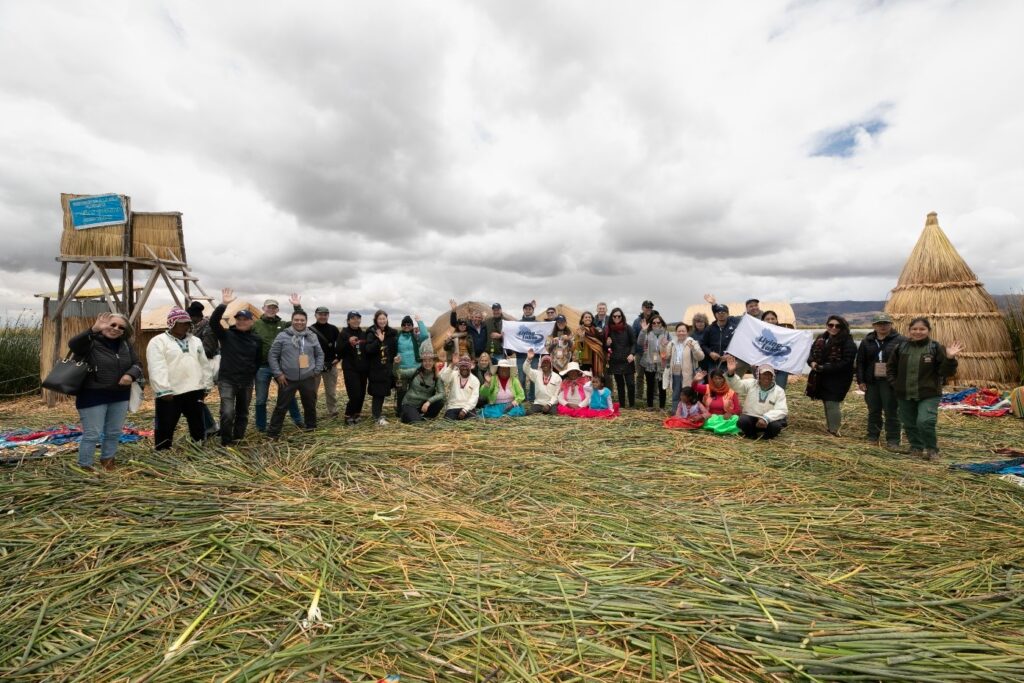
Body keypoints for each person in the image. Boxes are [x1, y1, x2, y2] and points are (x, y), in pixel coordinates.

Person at [68, 312, 142, 470]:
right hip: (93, 395)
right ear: (104, 325)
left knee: (114, 432)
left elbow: (137, 364)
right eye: (112, 325)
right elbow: (73, 345)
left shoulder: (125, 344)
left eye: (121, 327)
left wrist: (130, 374)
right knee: (92, 434)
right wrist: (93, 329)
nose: (116, 329)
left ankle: (108, 461)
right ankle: (85, 466)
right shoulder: (91, 341)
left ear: (124, 331)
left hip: (119, 395)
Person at [886, 317, 962, 460]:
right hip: (904, 393)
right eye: (914, 329)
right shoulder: (901, 347)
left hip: (929, 393)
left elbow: (946, 372)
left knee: (924, 421)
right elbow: (890, 368)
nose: (918, 332)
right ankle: (916, 447)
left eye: (922, 329)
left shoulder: (935, 347)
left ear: (928, 331)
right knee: (909, 423)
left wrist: (950, 358)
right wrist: (896, 384)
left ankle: (932, 449)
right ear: (909, 331)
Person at [148, 306, 214, 450]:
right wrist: (163, 390)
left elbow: (204, 364)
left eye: (187, 323)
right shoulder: (158, 341)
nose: (185, 326)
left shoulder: (195, 341)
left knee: (197, 421)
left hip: (195, 388)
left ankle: (198, 447)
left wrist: (207, 385)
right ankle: (163, 450)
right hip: (171, 392)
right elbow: (157, 367)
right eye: (181, 323)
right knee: (166, 423)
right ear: (172, 323)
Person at [210, 289, 261, 447]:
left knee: (243, 413)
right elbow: (213, 322)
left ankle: (238, 438)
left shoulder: (256, 340)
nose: (241, 321)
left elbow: (258, 360)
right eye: (239, 319)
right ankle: (226, 441)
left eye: (245, 319)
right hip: (227, 381)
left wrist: (250, 373)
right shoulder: (227, 335)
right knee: (227, 412)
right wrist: (224, 304)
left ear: (251, 321)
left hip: (246, 382)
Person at [267, 309, 324, 437]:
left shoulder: (312, 336)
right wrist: (278, 374)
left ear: (306, 321)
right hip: (287, 379)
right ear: (292, 321)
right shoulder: (283, 336)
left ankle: (311, 428)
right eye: (296, 320)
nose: (299, 322)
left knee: (310, 405)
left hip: (307, 377)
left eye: (302, 320)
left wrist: (317, 370)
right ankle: (273, 433)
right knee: (281, 407)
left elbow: (319, 354)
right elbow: (272, 355)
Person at [253, 296, 304, 431]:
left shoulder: (284, 325)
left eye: (274, 307)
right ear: (263, 308)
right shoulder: (255, 325)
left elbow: (299, 323)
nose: (271, 309)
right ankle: (261, 426)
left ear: (277, 310)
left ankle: (298, 420)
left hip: (280, 367)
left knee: (289, 395)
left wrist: (297, 306)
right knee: (261, 399)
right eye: (269, 307)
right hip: (262, 367)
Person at [855, 313, 905, 449]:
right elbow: (860, 362)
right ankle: (872, 436)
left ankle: (893, 440)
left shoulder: (901, 340)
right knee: (873, 410)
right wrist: (861, 380)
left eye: (885, 323)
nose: (882, 326)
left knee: (891, 411)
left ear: (891, 324)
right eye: (879, 324)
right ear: (874, 326)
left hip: (890, 382)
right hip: (872, 381)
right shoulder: (867, 341)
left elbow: (905, 363)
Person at [806, 315, 857, 436]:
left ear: (842, 327)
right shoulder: (821, 338)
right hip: (821, 377)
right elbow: (811, 353)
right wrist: (812, 362)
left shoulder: (848, 342)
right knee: (826, 401)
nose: (833, 328)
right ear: (827, 326)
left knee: (832, 402)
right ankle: (830, 428)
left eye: (837, 326)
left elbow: (846, 362)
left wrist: (824, 368)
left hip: (838, 378)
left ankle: (834, 431)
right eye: (831, 325)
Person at [726, 355, 789, 440]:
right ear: (759, 375)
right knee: (742, 421)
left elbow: (782, 410)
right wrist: (731, 373)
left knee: (776, 426)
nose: (767, 377)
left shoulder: (779, 390)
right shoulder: (751, 384)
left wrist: (766, 418)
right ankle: (751, 435)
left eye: (769, 375)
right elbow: (737, 386)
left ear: (773, 376)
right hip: (752, 416)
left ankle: (765, 438)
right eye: (764, 374)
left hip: (768, 420)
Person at [188, 300, 220, 437]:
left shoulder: (208, 328)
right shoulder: (193, 328)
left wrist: (187, 353)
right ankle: (210, 426)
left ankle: (209, 427)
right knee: (196, 399)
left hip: (205, 368)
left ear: (195, 317)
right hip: (196, 368)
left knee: (197, 399)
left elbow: (209, 351)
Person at [396, 340, 445, 423]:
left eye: (430, 360)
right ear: (422, 362)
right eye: (425, 361)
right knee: (417, 423)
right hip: (409, 404)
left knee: (440, 402)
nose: (427, 363)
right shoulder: (415, 371)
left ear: (433, 362)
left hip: (423, 405)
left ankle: (423, 417)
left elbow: (442, 393)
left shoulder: (436, 376)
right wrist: (396, 364)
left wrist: (429, 402)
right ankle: (409, 415)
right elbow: (398, 373)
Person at [661, 322, 705, 414]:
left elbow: (701, 357)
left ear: (687, 332)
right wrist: (664, 345)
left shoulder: (692, 342)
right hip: (675, 372)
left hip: (688, 373)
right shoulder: (672, 343)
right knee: (676, 393)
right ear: (676, 332)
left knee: (688, 394)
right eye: (679, 331)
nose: (681, 333)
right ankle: (675, 412)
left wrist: (693, 349)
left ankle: (690, 413)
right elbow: (666, 356)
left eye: (683, 331)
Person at [365, 310, 399, 425]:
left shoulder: (391, 332)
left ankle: (378, 413)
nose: (382, 321)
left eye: (384, 318)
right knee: (377, 392)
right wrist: (379, 341)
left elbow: (393, 348)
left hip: (387, 367)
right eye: (380, 319)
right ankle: (376, 417)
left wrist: (394, 358)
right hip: (376, 367)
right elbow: (368, 350)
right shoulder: (371, 332)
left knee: (383, 390)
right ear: (376, 320)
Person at [701, 294, 744, 375]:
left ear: (727, 314)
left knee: (728, 384)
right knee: (713, 384)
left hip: (729, 363)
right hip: (713, 363)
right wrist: (710, 353)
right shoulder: (709, 329)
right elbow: (703, 344)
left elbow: (739, 345)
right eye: (718, 312)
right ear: (715, 314)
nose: (721, 314)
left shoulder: (735, 328)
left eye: (723, 312)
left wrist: (731, 355)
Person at [395, 314, 429, 416]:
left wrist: (419, 321)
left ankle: (415, 410)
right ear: (401, 325)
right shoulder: (397, 337)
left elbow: (425, 335)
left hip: (415, 369)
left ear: (412, 326)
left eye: (409, 324)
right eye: (404, 324)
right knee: (401, 392)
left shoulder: (416, 337)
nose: (406, 326)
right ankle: (400, 411)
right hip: (402, 370)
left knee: (416, 391)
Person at [310, 306, 341, 418]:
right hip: (314, 366)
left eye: (325, 314)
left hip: (331, 365)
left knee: (331, 392)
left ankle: (333, 412)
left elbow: (339, 346)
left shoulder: (334, 329)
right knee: (312, 392)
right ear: (316, 315)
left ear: (328, 315)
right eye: (320, 314)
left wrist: (338, 358)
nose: (322, 316)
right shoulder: (309, 330)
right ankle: (311, 412)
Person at [339, 311, 368, 425]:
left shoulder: (363, 333)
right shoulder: (344, 333)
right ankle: (348, 415)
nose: (356, 320)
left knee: (361, 393)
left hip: (363, 368)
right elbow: (339, 350)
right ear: (348, 321)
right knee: (354, 393)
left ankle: (357, 413)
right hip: (350, 368)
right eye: (353, 318)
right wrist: (348, 343)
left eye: (358, 318)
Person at [604, 307, 636, 408]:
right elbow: (605, 347)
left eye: (619, 316)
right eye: (614, 316)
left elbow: (634, 343)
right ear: (611, 317)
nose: (617, 318)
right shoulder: (608, 329)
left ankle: (632, 404)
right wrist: (607, 344)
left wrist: (632, 354)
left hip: (627, 359)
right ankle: (622, 405)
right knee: (620, 385)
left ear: (622, 317)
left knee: (630, 384)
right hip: (615, 360)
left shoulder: (628, 328)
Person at [637, 313, 669, 410]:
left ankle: (662, 406)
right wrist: (643, 330)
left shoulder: (666, 333)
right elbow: (639, 342)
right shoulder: (647, 332)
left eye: (658, 322)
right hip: (649, 363)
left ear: (661, 323)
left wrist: (667, 345)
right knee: (650, 385)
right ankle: (650, 406)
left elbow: (671, 346)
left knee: (661, 385)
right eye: (653, 323)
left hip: (661, 363)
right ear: (651, 324)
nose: (656, 324)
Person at [756, 311, 790, 389]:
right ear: (762, 321)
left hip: (781, 367)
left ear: (776, 320)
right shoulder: (757, 333)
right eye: (767, 319)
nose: (770, 321)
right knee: (763, 390)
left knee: (779, 390)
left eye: (772, 319)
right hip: (763, 367)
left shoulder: (785, 333)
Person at [440, 353, 480, 420]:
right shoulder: (453, 374)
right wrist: (452, 364)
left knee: (472, 423)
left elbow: (474, 398)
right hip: (453, 407)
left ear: (470, 367)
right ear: (459, 367)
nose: (464, 368)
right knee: (448, 424)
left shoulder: (475, 380)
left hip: (467, 408)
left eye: (466, 366)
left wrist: (465, 410)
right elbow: (444, 378)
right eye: (462, 366)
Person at [515, 301, 539, 401]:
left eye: (530, 309)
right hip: (520, 355)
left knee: (533, 377)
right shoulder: (518, 323)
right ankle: (523, 397)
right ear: (523, 310)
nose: (528, 310)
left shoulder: (538, 324)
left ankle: (532, 397)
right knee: (521, 378)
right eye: (526, 309)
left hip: (534, 356)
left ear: (533, 310)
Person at [631, 300, 654, 404]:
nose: (648, 308)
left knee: (654, 374)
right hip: (640, 353)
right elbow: (633, 337)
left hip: (653, 353)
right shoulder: (637, 321)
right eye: (646, 307)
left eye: (650, 307)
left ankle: (655, 395)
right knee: (640, 375)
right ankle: (638, 395)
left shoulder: (656, 319)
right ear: (642, 308)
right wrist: (634, 352)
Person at [525, 348, 561, 414]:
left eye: (547, 363)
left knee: (554, 414)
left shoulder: (557, 377)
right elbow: (526, 369)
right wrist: (528, 359)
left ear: (550, 365)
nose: (545, 364)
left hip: (551, 404)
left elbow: (557, 394)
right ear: (541, 365)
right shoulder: (536, 374)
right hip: (538, 403)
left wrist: (549, 404)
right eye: (543, 363)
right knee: (528, 413)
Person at [574, 311, 606, 377]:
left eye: (589, 317)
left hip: (595, 357)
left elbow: (600, 343)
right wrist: (581, 339)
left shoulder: (596, 330)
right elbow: (577, 347)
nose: (588, 318)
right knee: (585, 379)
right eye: (586, 317)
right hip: (584, 359)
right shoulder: (579, 330)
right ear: (582, 319)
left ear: (592, 319)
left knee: (596, 378)